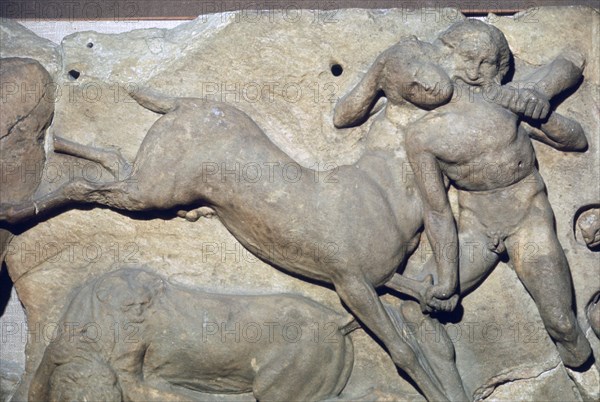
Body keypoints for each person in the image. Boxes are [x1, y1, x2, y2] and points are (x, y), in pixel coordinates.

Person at [336, 19, 592, 369]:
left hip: (527, 220)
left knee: (563, 325)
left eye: (486, 62)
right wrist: (446, 279)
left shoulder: (507, 103)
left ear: (500, 67)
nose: (474, 71)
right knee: (416, 306)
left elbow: (576, 140)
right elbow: (437, 212)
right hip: (476, 229)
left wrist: (541, 111)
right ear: (445, 56)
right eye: (466, 58)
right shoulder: (422, 137)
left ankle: (580, 368)